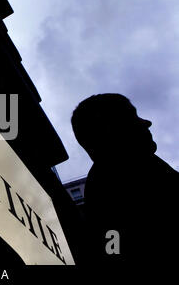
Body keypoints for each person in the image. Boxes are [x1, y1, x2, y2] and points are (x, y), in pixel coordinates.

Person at [71, 93, 179, 264]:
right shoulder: (129, 177)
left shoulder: (138, 168)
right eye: (132, 117)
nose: (146, 122)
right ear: (111, 130)